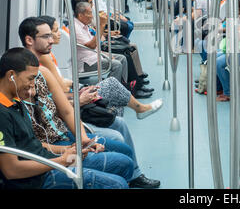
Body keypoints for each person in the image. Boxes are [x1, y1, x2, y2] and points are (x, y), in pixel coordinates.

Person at [18, 17, 161, 189]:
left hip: (63, 121)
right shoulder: (23, 78)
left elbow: (61, 103)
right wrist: (78, 97)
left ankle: (134, 112)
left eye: (53, 33)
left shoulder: (42, 68)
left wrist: (83, 139)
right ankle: (137, 110)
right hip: (56, 137)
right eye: (47, 35)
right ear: (29, 40)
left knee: (117, 121)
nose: (53, 39)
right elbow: (22, 155)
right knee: (112, 94)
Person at [0, 47, 134, 189]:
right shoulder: (2, 113)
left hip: (49, 161)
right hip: (36, 179)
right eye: (30, 79)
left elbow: (34, 145)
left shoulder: (15, 101)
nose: (33, 86)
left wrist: (69, 149)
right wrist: (62, 161)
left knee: (124, 163)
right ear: (11, 76)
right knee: (118, 184)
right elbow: (11, 170)